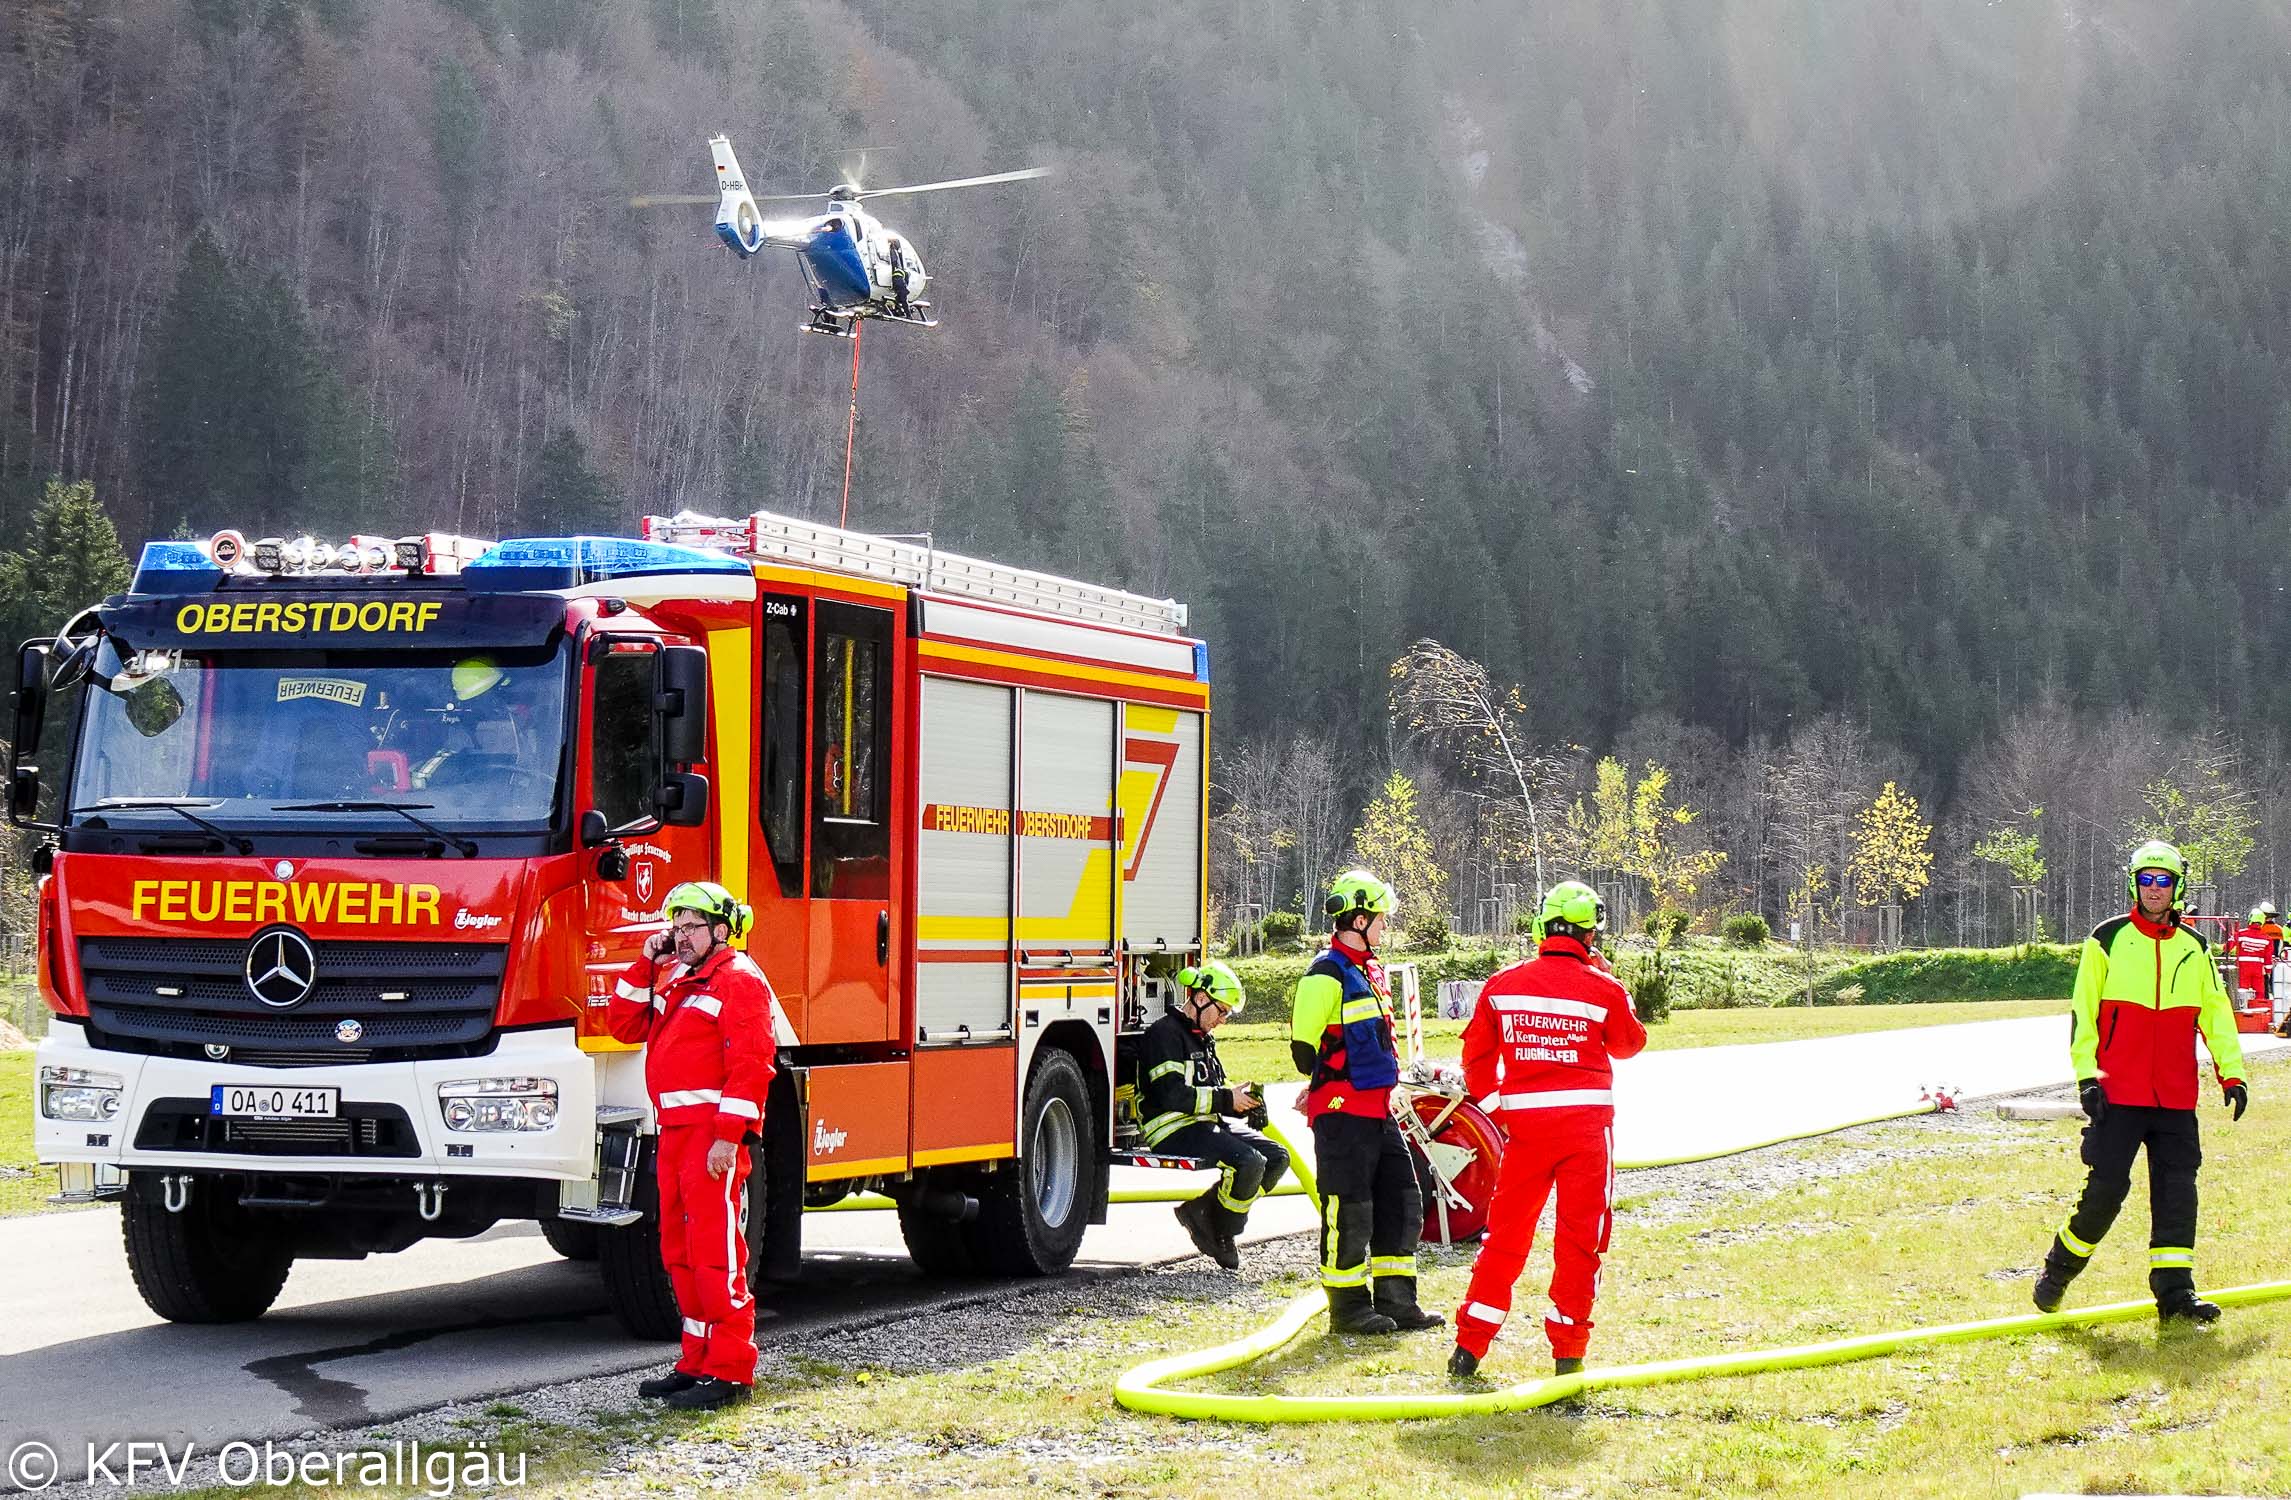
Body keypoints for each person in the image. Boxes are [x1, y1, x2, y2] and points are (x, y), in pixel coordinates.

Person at [2030, 841, 2249, 1325]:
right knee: (2106, 1190)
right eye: (2146, 879)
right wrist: (2087, 1077)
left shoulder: (2194, 947)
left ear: (2177, 887)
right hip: (2118, 1094)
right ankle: (2057, 1273)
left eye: (2164, 880)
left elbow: (2215, 1014)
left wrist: (2231, 1073)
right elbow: (2083, 1014)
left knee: (2177, 1193)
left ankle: (2176, 1296)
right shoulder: (2106, 939)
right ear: (2134, 883)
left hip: (2173, 1097)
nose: (2155, 889)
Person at [1448, 880, 1646, 1383]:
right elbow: (1629, 1044)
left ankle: (1469, 1347)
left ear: (1542, 927)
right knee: (1580, 1240)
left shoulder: (1503, 984)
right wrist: (1607, 978)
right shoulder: (1603, 987)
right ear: (1590, 933)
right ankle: (1568, 1355)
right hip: (1585, 1135)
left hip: (1525, 1136)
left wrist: (1499, 1110)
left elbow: (1475, 1060)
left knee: (1506, 1237)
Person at [605, 881, 780, 1409]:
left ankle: (730, 1371)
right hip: (675, 1134)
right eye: (675, 927)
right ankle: (696, 1363)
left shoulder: (739, 981)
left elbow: (752, 1066)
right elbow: (622, 1025)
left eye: (691, 927)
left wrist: (729, 1139)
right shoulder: (679, 977)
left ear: (721, 930)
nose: (679, 937)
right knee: (678, 1254)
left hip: (710, 1139)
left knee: (716, 1254)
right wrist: (643, 962)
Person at [1290, 869, 1441, 1336]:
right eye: (1379, 919)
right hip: (1342, 1113)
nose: (1384, 927)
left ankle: (1397, 1302)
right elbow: (1303, 1051)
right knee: (1350, 1208)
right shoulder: (1326, 973)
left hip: (1378, 1108)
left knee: (1402, 1199)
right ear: (1358, 919)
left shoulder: (1368, 970)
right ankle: (1349, 1310)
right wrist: (1323, 1083)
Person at [1139, 961, 1289, 1271]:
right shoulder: (1165, 1035)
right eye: (1221, 1011)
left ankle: (1207, 1212)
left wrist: (1242, 1102)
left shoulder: (1201, 1037)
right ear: (1199, 997)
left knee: (1276, 1158)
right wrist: (1225, 1100)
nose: (1222, 1020)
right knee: (1250, 1162)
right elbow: (1171, 1095)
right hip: (1171, 1127)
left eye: (1227, 1014)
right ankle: (1223, 1232)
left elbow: (1210, 1089)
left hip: (1204, 1123)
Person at [2228, 906, 2278, 1021]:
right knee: (2259, 993)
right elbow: (2268, 959)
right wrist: (2268, 972)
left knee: (2243, 991)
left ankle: (2243, 1015)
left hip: (2243, 968)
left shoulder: (2241, 934)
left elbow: (2229, 946)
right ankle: (2259, 1016)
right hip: (2258, 970)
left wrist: (2223, 951)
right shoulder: (2267, 938)